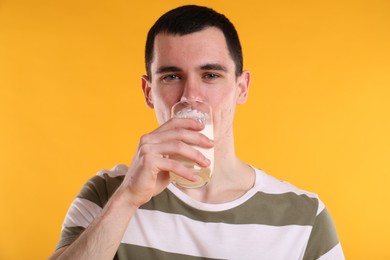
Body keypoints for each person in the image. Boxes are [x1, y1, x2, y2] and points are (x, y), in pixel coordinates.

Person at [50, 5, 344, 260]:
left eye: (211, 75)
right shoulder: (106, 194)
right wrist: (127, 198)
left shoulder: (305, 218)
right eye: (172, 76)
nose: (190, 96)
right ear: (149, 92)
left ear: (241, 88)